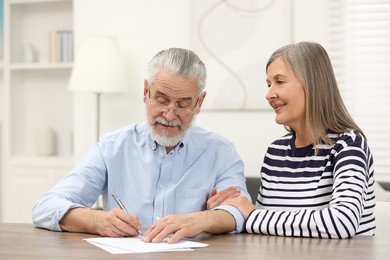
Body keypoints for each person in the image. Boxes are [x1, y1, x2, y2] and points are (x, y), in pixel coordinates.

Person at [32, 47, 250, 243]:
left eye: (183, 105)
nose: (169, 114)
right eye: (162, 100)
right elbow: (45, 207)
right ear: (146, 92)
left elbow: (241, 211)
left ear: (199, 103)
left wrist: (203, 220)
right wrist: (96, 220)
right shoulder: (111, 148)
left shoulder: (221, 152)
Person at [212, 41, 376, 238]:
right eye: (268, 84)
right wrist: (224, 213)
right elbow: (264, 228)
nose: (269, 94)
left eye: (279, 82)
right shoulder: (276, 151)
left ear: (312, 84)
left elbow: (342, 222)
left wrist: (252, 215)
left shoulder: (348, 145)